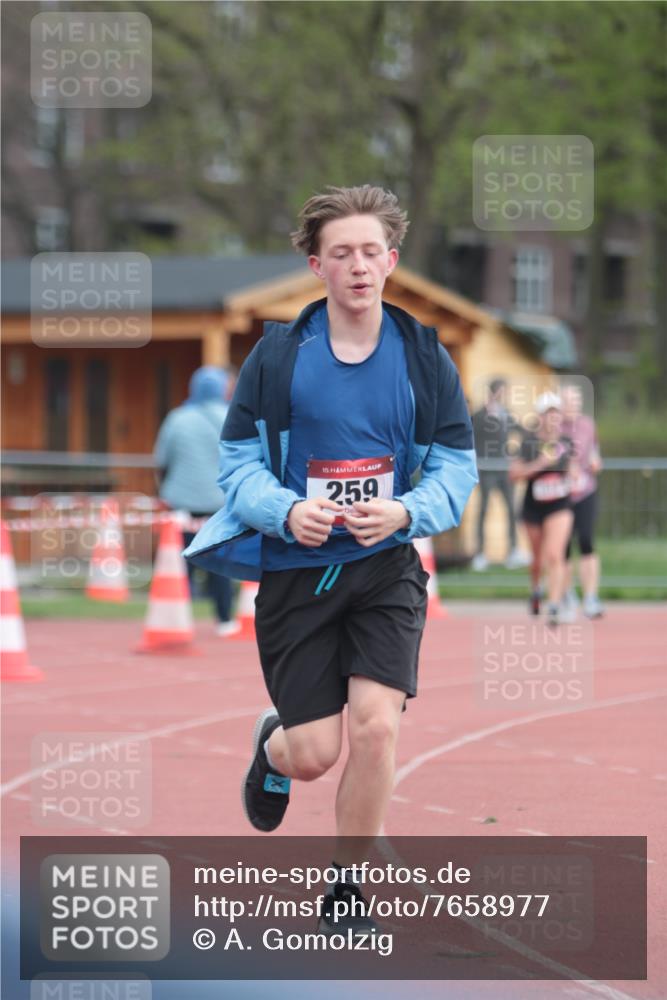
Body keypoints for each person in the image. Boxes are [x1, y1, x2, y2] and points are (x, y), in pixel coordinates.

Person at [184, 184, 478, 934]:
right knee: (315, 754)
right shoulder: (278, 357)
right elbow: (237, 464)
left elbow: (454, 466)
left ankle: (345, 891)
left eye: (369, 252)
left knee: (377, 728)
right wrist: (283, 509)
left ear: (391, 260)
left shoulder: (421, 356)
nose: (357, 266)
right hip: (295, 571)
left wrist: (409, 510)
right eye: (340, 253)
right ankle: (272, 748)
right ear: (316, 265)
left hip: (385, 568)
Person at [154, 365, 240, 637]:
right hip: (219, 504)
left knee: (180, 565)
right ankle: (225, 620)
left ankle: (177, 620)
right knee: (220, 566)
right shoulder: (231, 417)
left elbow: (161, 460)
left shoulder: (176, 418)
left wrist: (165, 491)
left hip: (182, 502)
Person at [509, 392, 574, 625]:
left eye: (556, 413)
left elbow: (575, 471)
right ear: (540, 417)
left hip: (559, 505)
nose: (553, 418)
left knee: (555, 555)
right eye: (549, 414)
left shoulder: (566, 443)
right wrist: (540, 464)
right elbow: (514, 474)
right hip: (533, 507)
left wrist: (573, 476)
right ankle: (536, 589)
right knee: (537, 559)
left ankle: (554, 605)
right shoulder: (529, 444)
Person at [471, 378, 528, 570]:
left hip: (505, 470)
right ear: (493, 392)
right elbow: (469, 439)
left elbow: (523, 433)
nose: (503, 396)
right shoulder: (478, 416)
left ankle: (513, 551)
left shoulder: (506, 415)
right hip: (486, 470)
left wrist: (516, 456)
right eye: (501, 391)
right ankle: (480, 554)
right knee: (484, 510)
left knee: (511, 510)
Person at [560, 384, 604, 618]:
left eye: (576, 401)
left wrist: (596, 462)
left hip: (585, 491)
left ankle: (591, 597)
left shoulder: (588, 425)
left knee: (586, 540)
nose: (572, 406)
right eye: (568, 401)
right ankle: (567, 594)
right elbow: (547, 454)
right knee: (564, 547)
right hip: (562, 494)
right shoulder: (554, 426)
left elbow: (594, 451)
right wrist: (564, 468)